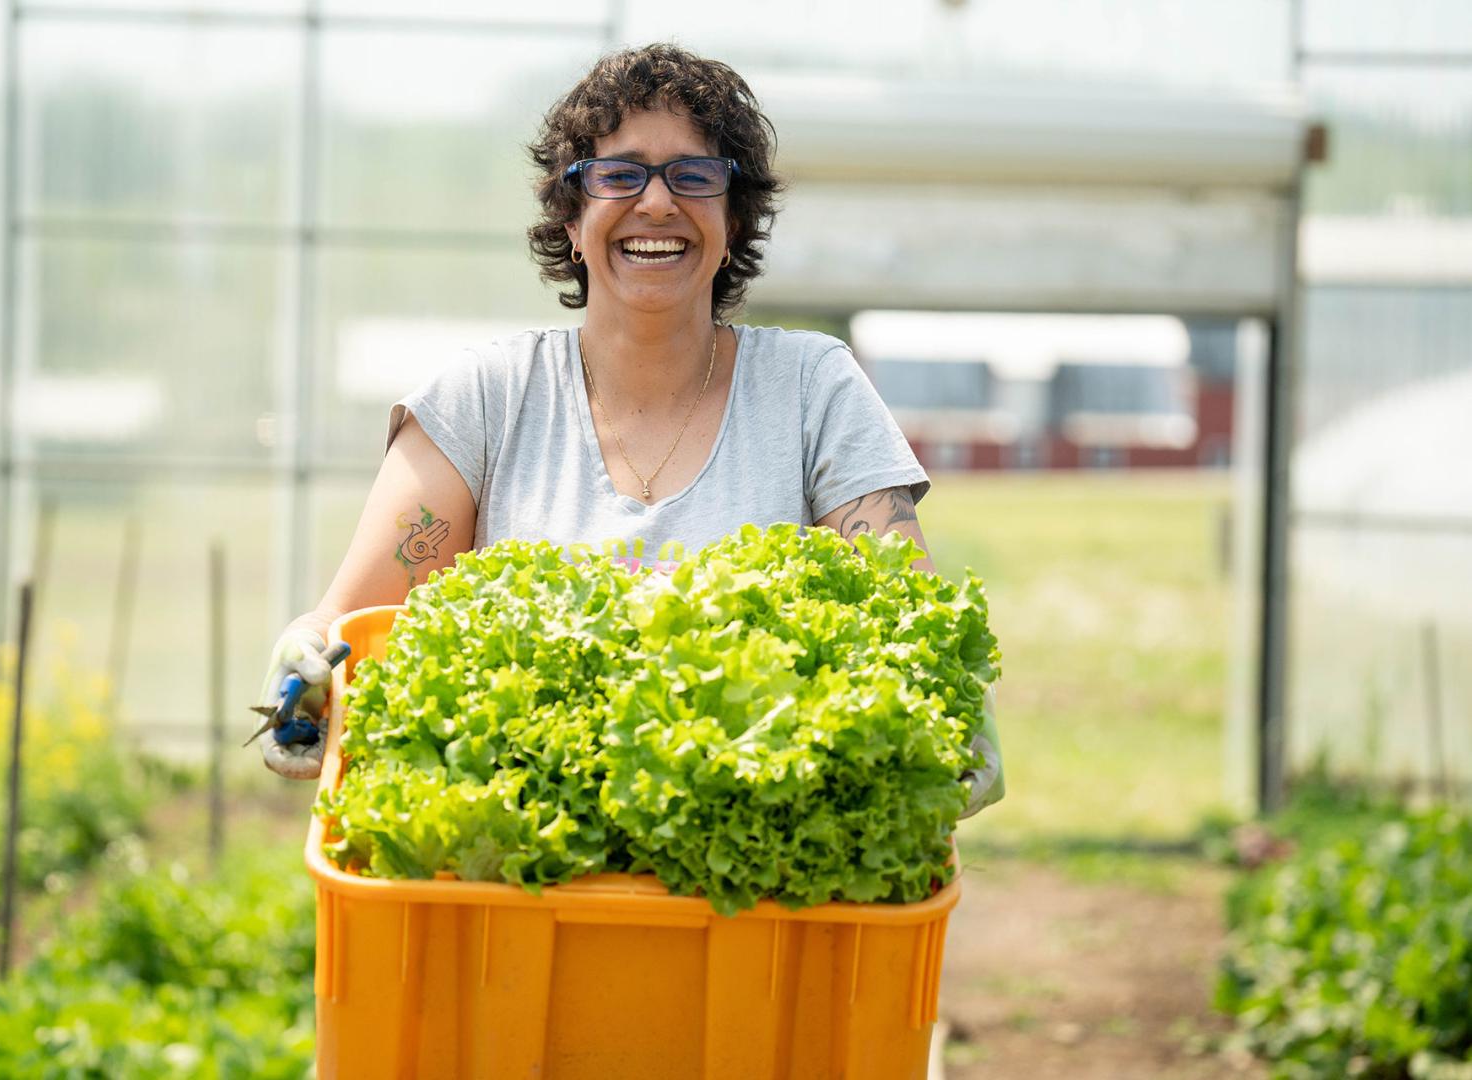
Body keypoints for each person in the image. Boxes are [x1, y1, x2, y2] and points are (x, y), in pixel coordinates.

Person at [255, 43, 1003, 818]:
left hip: (748, 894)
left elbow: (900, 619)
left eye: (693, 176)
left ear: (732, 216)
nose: (655, 204)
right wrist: (305, 664)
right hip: (527, 881)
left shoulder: (813, 389)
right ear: (572, 221)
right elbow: (352, 623)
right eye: (619, 175)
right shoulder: (487, 396)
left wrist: (943, 708)